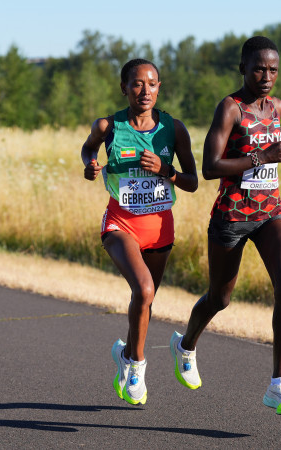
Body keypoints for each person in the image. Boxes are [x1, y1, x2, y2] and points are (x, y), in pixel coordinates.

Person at [169, 36, 281, 417]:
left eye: (273, 69)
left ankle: (278, 385)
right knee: (220, 299)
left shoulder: (275, 107)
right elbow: (211, 167)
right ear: (242, 68)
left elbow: (270, 153)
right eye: (259, 68)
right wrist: (265, 156)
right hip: (231, 215)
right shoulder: (230, 109)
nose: (267, 76)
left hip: (269, 212)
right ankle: (186, 345)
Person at [82, 59, 198, 406]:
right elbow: (89, 147)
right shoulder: (109, 126)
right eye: (136, 84)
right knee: (144, 289)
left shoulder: (173, 129)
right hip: (121, 224)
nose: (144, 90)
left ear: (159, 88)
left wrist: (167, 170)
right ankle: (136, 365)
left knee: (144, 301)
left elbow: (192, 181)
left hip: (160, 229)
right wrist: (89, 163)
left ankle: (125, 355)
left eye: (151, 84)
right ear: (124, 88)